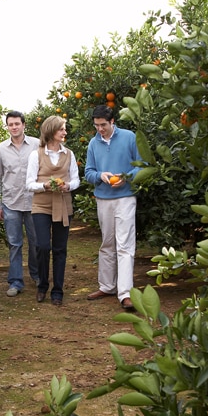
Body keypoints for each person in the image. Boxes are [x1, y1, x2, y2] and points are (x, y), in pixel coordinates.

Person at [84, 105, 142, 310]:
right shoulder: (93, 143)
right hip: (103, 198)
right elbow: (88, 172)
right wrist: (101, 176)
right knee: (107, 243)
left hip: (125, 197)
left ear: (112, 122)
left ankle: (125, 294)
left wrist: (126, 178)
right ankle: (107, 286)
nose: (100, 129)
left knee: (125, 245)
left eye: (103, 125)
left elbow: (142, 165)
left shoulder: (129, 137)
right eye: (96, 125)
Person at [26, 115, 80, 306]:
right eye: (62, 129)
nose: (65, 132)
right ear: (51, 131)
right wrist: (45, 186)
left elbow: (76, 180)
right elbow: (29, 183)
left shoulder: (69, 154)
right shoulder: (37, 154)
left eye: (64, 129)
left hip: (63, 205)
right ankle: (42, 285)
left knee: (60, 249)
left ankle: (57, 290)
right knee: (42, 246)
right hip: (41, 205)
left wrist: (68, 186)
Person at [0, 111, 40, 297]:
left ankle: (37, 275)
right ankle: (16, 282)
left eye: (17, 123)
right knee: (14, 244)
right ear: (7, 127)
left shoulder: (36, 144)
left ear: (24, 125)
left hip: (35, 203)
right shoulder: (0, 150)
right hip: (11, 203)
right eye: (10, 124)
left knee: (37, 243)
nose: (14, 127)